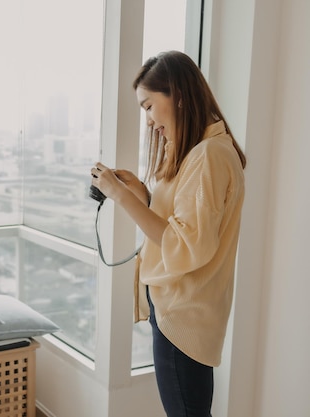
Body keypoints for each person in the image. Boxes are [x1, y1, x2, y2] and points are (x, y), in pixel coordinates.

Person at [90, 50, 246, 417]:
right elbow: (182, 222)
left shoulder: (208, 156)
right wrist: (142, 194)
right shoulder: (201, 152)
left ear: (176, 94)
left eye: (148, 106)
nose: (147, 121)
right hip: (180, 309)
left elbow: (185, 244)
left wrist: (119, 195)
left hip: (183, 314)